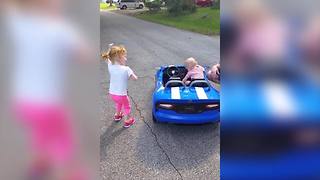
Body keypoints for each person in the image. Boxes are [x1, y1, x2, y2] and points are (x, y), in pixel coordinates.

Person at [102, 45, 138, 128]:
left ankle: (117, 115)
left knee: (118, 103)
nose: (126, 59)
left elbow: (109, 57)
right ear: (119, 58)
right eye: (124, 56)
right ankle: (127, 120)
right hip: (122, 94)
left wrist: (110, 48)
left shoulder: (110, 66)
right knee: (126, 106)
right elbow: (135, 78)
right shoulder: (126, 69)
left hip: (112, 94)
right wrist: (131, 75)